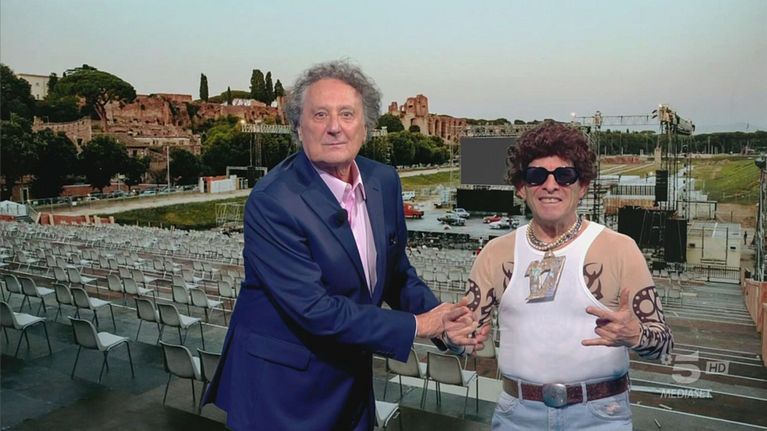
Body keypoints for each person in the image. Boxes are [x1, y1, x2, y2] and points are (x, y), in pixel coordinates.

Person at [203, 60, 481, 431]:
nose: (335, 127)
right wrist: (419, 325)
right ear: (298, 127)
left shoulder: (384, 180)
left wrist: (444, 321)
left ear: (366, 126)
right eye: (320, 114)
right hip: (282, 394)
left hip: (350, 384)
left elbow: (396, 273)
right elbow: (315, 310)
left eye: (347, 114)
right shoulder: (273, 201)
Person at [465, 121, 673, 430]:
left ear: (582, 185)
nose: (550, 185)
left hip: (599, 416)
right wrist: (446, 335)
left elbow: (664, 345)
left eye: (564, 175)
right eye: (536, 175)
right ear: (521, 187)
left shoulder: (620, 249)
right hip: (518, 415)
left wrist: (636, 336)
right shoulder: (495, 254)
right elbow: (464, 335)